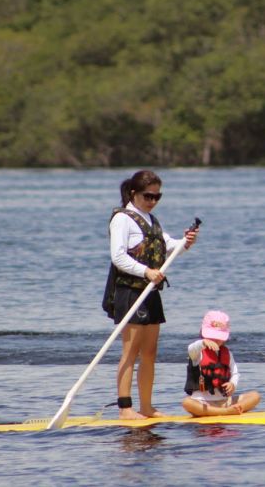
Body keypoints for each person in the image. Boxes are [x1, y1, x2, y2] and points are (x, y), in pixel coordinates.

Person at [103, 169, 198, 420]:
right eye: (148, 196)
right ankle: (125, 408)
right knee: (130, 351)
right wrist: (146, 272)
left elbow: (169, 246)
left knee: (150, 353)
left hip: (151, 292)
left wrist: (185, 243)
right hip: (130, 292)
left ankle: (146, 407)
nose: (153, 201)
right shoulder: (122, 219)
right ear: (134, 193)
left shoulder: (152, 220)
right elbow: (118, 257)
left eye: (158, 197)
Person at [182, 310, 261, 417]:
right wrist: (203, 343)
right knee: (187, 402)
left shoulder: (227, 353)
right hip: (203, 403)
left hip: (224, 402)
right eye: (211, 335)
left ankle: (232, 409)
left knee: (255, 396)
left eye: (218, 336)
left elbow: (235, 373)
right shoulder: (197, 352)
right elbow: (191, 349)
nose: (214, 339)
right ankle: (227, 412)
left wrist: (232, 384)